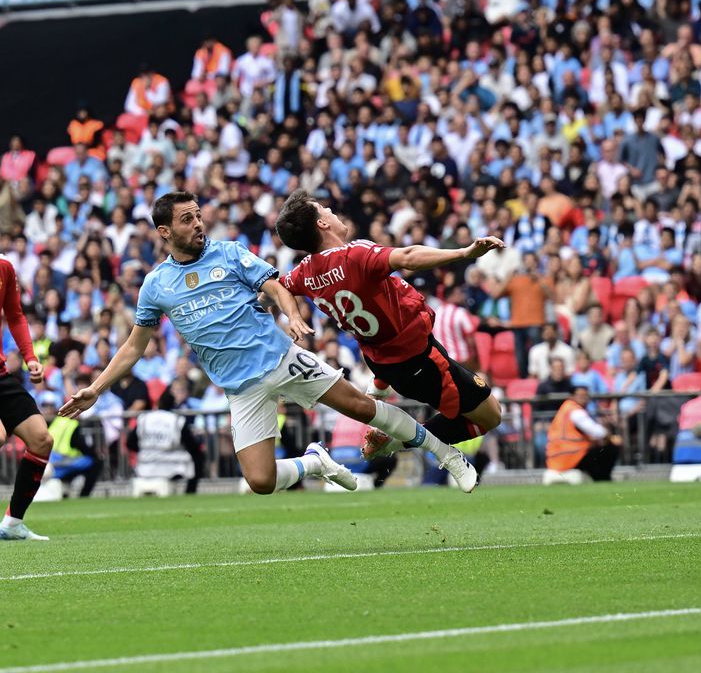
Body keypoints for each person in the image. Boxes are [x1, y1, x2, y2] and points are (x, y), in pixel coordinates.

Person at [60, 192, 479, 498]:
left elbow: (274, 283)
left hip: (279, 358)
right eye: (187, 220)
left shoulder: (228, 254)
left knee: (359, 406)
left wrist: (293, 315)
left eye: (199, 216)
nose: (198, 224)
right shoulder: (155, 286)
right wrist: (96, 389)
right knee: (259, 481)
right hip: (239, 388)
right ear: (165, 231)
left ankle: (446, 454)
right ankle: (315, 462)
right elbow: (134, 346)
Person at [273, 190, 504, 467]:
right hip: (416, 359)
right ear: (321, 224)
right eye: (324, 209)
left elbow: (276, 286)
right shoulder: (353, 256)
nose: (330, 211)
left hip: (380, 359)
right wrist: (464, 252)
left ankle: (378, 389)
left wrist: (292, 314)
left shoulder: (306, 271)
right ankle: (396, 440)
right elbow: (407, 257)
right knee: (491, 415)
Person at [0, 256, 49, 541]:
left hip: (1, 373)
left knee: (41, 439)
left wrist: (30, 358)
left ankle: (13, 523)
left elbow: (15, 315)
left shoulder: (5, 267)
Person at [545, 383, 621, 481]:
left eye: (585, 396)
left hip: (556, 459)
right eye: (580, 396)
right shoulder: (575, 410)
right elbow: (596, 431)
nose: (584, 398)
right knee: (611, 448)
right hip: (572, 457)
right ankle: (603, 478)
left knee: (596, 452)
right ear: (572, 396)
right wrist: (611, 437)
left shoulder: (565, 409)